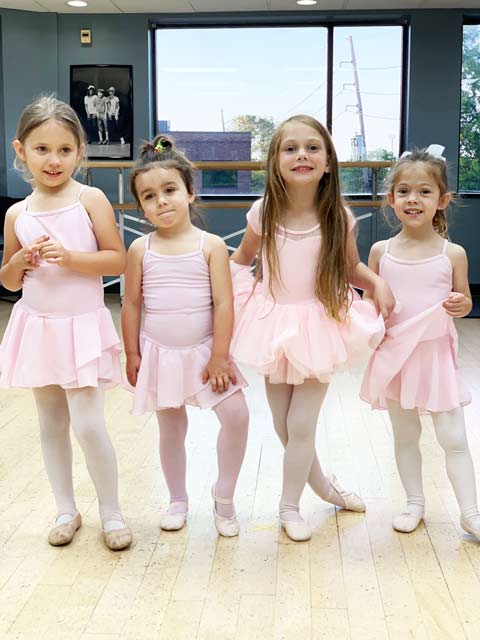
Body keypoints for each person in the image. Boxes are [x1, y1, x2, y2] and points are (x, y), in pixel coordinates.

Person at [231, 114, 394, 541]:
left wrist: (375, 281)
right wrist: (218, 296)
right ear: (275, 160)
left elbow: (350, 267)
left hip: (320, 326)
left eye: (312, 147)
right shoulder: (262, 212)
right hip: (271, 325)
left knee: (301, 425)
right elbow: (239, 261)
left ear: (327, 163)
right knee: (284, 425)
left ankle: (289, 506)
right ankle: (325, 486)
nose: (301, 154)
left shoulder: (337, 215)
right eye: (290, 148)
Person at [0, 96, 132, 551]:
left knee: (89, 424)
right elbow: (8, 280)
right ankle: (65, 508)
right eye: (41, 149)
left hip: (80, 327)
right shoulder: (17, 214)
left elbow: (118, 259)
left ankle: (111, 511)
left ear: (80, 150)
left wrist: (72, 257)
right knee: (49, 423)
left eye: (63, 149)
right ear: (21, 150)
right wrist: (17, 260)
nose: (53, 160)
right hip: (38, 328)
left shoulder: (89, 199)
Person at [122, 135, 249, 537]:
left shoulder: (210, 246)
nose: (161, 201)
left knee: (237, 416)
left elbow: (224, 305)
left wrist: (220, 356)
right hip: (160, 354)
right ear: (141, 205)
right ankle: (177, 499)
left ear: (190, 193)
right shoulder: (140, 249)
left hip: (206, 354)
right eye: (149, 195)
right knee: (171, 428)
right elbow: (130, 304)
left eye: (170, 190)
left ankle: (224, 496)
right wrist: (132, 352)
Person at [361, 145, 480, 538]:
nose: (414, 199)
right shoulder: (381, 252)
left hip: (435, 359)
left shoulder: (453, 253)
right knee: (405, 434)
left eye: (425, 191)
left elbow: (463, 302)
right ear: (391, 198)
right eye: (405, 191)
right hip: (396, 357)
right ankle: (414, 502)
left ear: (442, 200)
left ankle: (471, 512)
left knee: (453, 437)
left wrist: (460, 303)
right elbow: (368, 305)